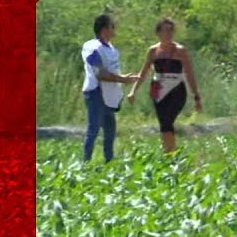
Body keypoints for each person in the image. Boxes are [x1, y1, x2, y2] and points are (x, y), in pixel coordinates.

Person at [127, 18, 202, 154]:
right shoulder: (153, 51)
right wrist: (133, 91)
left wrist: (196, 97)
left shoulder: (180, 51)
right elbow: (143, 72)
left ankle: (170, 154)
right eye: (165, 30)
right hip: (158, 91)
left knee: (168, 121)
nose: (168, 33)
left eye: (171, 30)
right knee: (164, 124)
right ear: (158, 32)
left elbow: (189, 74)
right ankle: (169, 153)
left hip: (176, 91)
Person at [81, 14, 140, 163]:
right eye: (112, 27)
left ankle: (109, 161)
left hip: (109, 95)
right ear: (104, 29)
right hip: (96, 92)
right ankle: (85, 161)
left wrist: (124, 77)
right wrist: (122, 79)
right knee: (93, 129)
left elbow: (111, 71)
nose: (114, 30)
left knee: (110, 131)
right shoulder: (92, 47)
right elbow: (100, 73)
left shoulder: (112, 49)